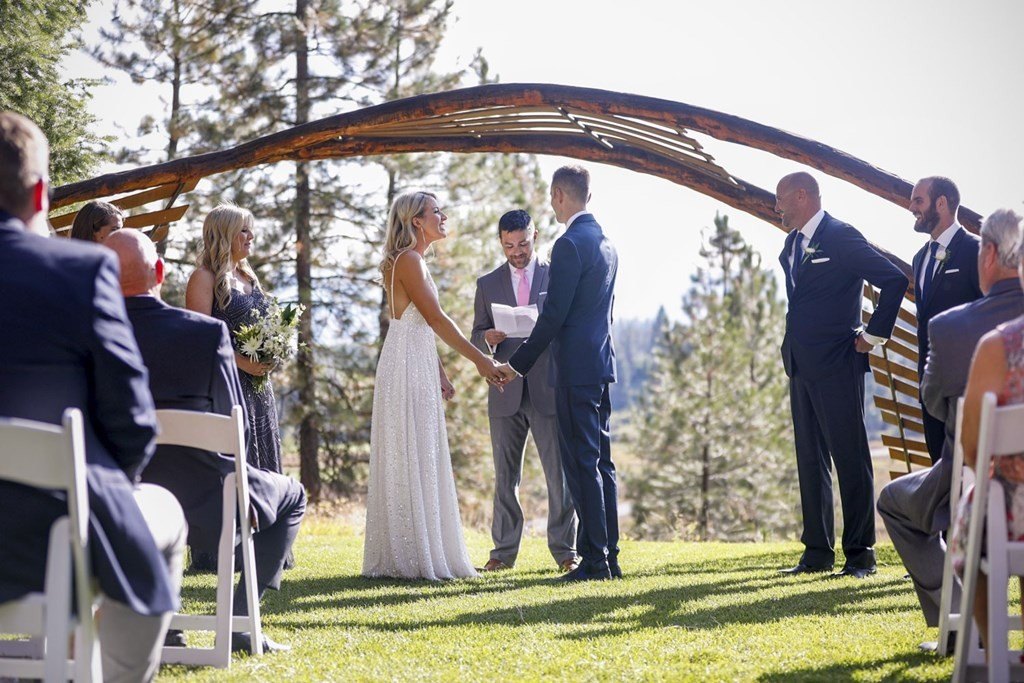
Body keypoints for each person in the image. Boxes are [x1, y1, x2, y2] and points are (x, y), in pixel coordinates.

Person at [0, 111, 185, 682]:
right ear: (39, 193)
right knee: (166, 515)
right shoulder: (80, 272)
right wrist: (100, 490)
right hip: (53, 529)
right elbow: (133, 420)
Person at [106, 229, 306, 654]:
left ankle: (167, 627)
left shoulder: (90, 334)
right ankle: (239, 622)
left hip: (120, 500)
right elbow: (235, 425)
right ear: (160, 272)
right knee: (293, 496)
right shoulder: (204, 333)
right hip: (209, 503)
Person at [879, 208, 1023, 652]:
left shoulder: (951, 328)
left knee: (895, 501)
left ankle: (963, 626)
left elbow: (937, 404)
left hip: (980, 482)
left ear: (988, 254)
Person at [362, 190, 505, 580]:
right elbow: (437, 319)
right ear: (417, 221)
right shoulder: (409, 260)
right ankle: (413, 555)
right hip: (407, 363)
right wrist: (481, 360)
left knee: (418, 448)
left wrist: (440, 371)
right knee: (413, 447)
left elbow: (418, 323)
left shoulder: (410, 260)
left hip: (412, 358)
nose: (443, 217)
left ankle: (412, 549)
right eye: (436, 212)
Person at [775, 171, 908, 579]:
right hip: (800, 364)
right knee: (810, 460)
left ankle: (861, 555)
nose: (776, 207)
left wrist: (872, 335)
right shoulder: (791, 244)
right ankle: (817, 552)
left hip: (838, 363)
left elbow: (894, 279)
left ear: (802, 195)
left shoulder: (840, 236)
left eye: (781, 198)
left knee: (850, 457)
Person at [497, 165, 620, 583]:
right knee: (602, 463)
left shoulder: (568, 244)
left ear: (558, 195)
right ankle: (610, 556)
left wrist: (515, 365)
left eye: (552, 198)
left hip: (574, 369)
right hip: (600, 365)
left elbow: (553, 317)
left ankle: (595, 562)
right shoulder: (606, 243)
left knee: (582, 464)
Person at [471, 209, 578, 574]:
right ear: (501, 242)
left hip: (548, 386)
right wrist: (487, 338)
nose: (516, 252)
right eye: (508, 246)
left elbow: (568, 325)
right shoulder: (487, 284)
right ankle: (502, 554)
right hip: (505, 391)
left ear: (535, 236)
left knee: (558, 478)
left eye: (522, 244)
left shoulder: (556, 275)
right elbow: (475, 335)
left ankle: (566, 553)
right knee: (505, 478)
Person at [949, 209, 1024, 651]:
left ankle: (996, 655)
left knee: (980, 509)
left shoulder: (1000, 345)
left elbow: (974, 449)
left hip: (1015, 511)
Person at [186, 204, 282, 473]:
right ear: (224, 234)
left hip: (260, 390)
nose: (251, 236)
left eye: (250, 230)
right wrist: (241, 362)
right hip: (228, 385)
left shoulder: (249, 276)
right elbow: (199, 340)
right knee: (238, 465)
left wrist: (273, 351)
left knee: (265, 467)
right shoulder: (203, 278)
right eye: (244, 230)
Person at [909, 177, 983, 463]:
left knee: (969, 471)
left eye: (918, 200)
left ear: (941, 203)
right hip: (931, 389)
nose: (911, 207)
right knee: (939, 471)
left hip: (967, 389)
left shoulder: (976, 251)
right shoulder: (919, 258)